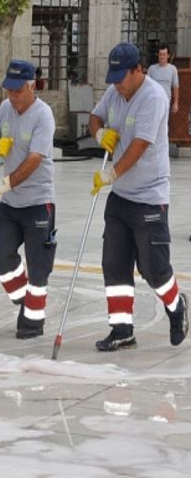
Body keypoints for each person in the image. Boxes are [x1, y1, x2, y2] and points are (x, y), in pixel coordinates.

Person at [88, 42, 188, 351]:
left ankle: (177, 306)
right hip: (120, 199)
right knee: (114, 266)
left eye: (122, 76)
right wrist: (99, 133)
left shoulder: (153, 98)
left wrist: (111, 174)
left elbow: (139, 146)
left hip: (149, 197)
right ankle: (122, 330)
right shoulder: (116, 91)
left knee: (154, 268)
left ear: (138, 70)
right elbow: (95, 117)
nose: (117, 83)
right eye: (113, 77)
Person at [0, 59, 57, 339]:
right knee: (1, 256)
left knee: (39, 267)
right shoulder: (5, 109)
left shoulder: (44, 115)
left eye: (17, 91)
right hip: (11, 203)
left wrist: (5, 183)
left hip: (38, 201)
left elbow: (34, 160)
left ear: (30, 86)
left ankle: (33, 320)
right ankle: (25, 301)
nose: (12, 96)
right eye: (9, 91)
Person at [146, 43, 179, 115]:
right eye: (160, 54)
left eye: (164, 54)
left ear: (168, 56)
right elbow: (146, 86)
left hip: (166, 102)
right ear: (158, 55)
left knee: (164, 125)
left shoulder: (172, 69)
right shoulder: (152, 69)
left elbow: (175, 86)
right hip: (153, 102)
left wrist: (176, 102)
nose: (162, 56)